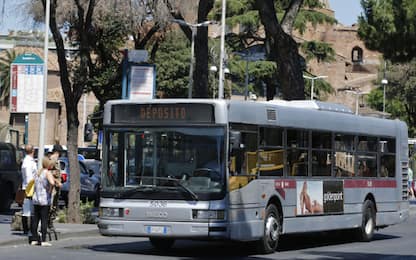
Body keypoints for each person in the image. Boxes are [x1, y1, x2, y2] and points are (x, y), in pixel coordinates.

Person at [30, 157, 62, 246]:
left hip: (36, 198)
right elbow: (51, 183)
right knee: (44, 219)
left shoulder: (38, 172)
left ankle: (34, 239)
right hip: (44, 199)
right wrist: (50, 190)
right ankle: (43, 240)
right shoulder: (47, 173)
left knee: (35, 219)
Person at [20, 144, 37, 235]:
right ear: (32, 151)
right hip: (29, 188)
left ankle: (28, 229)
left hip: (28, 187)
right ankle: (27, 230)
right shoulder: (28, 162)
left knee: (28, 209)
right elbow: (28, 177)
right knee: (27, 210)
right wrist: (30, 189)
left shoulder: (29, 161)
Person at [47, 144, 63, 229]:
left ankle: (50, 222)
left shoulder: (56, 160)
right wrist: (57, 181)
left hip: (56, 186)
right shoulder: (52, 159)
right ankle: (48, 222)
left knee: (54, 205)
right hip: (52, 186)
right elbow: (48, 173)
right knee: (51, 204)